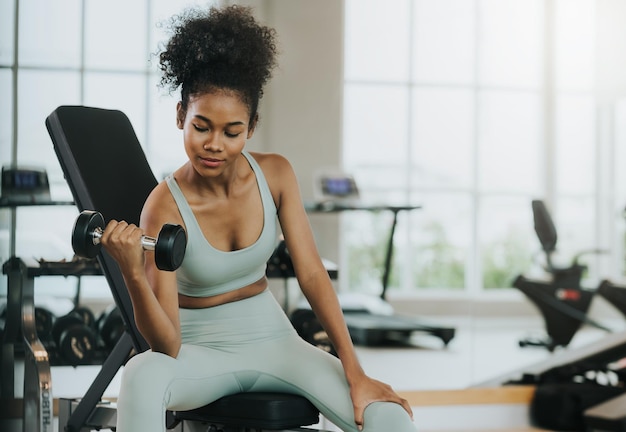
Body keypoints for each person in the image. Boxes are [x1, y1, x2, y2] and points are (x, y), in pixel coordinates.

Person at [100, 5, 417, 432]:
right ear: (180, 117)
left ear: (251, 127)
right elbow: (167, 344)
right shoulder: (163, 206)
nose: (214, 145)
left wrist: (355, 372)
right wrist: (133, 275)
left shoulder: (276, 175)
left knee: (387, 416)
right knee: (141, 374)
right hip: (200, 351)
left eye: (232, 131)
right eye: (201, 126)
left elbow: (312, 274)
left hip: (277, 341)